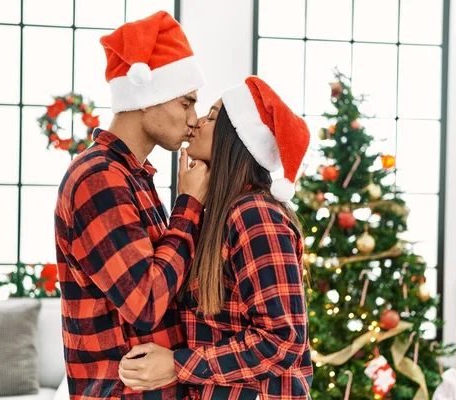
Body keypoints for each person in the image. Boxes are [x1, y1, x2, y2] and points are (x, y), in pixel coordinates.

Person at [118, 76, 313, 399]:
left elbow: (282, 341)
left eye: (210, 116)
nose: (195, 123)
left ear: (234, 137)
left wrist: (178, 365)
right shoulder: (220, 216)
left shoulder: (256, 217)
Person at [54, 11, 208, 400]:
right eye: (186, 102)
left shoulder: (133, 176)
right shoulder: (98, 179)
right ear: (146, 97)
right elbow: (146, 302)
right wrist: (188, 206)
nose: (194, 119)